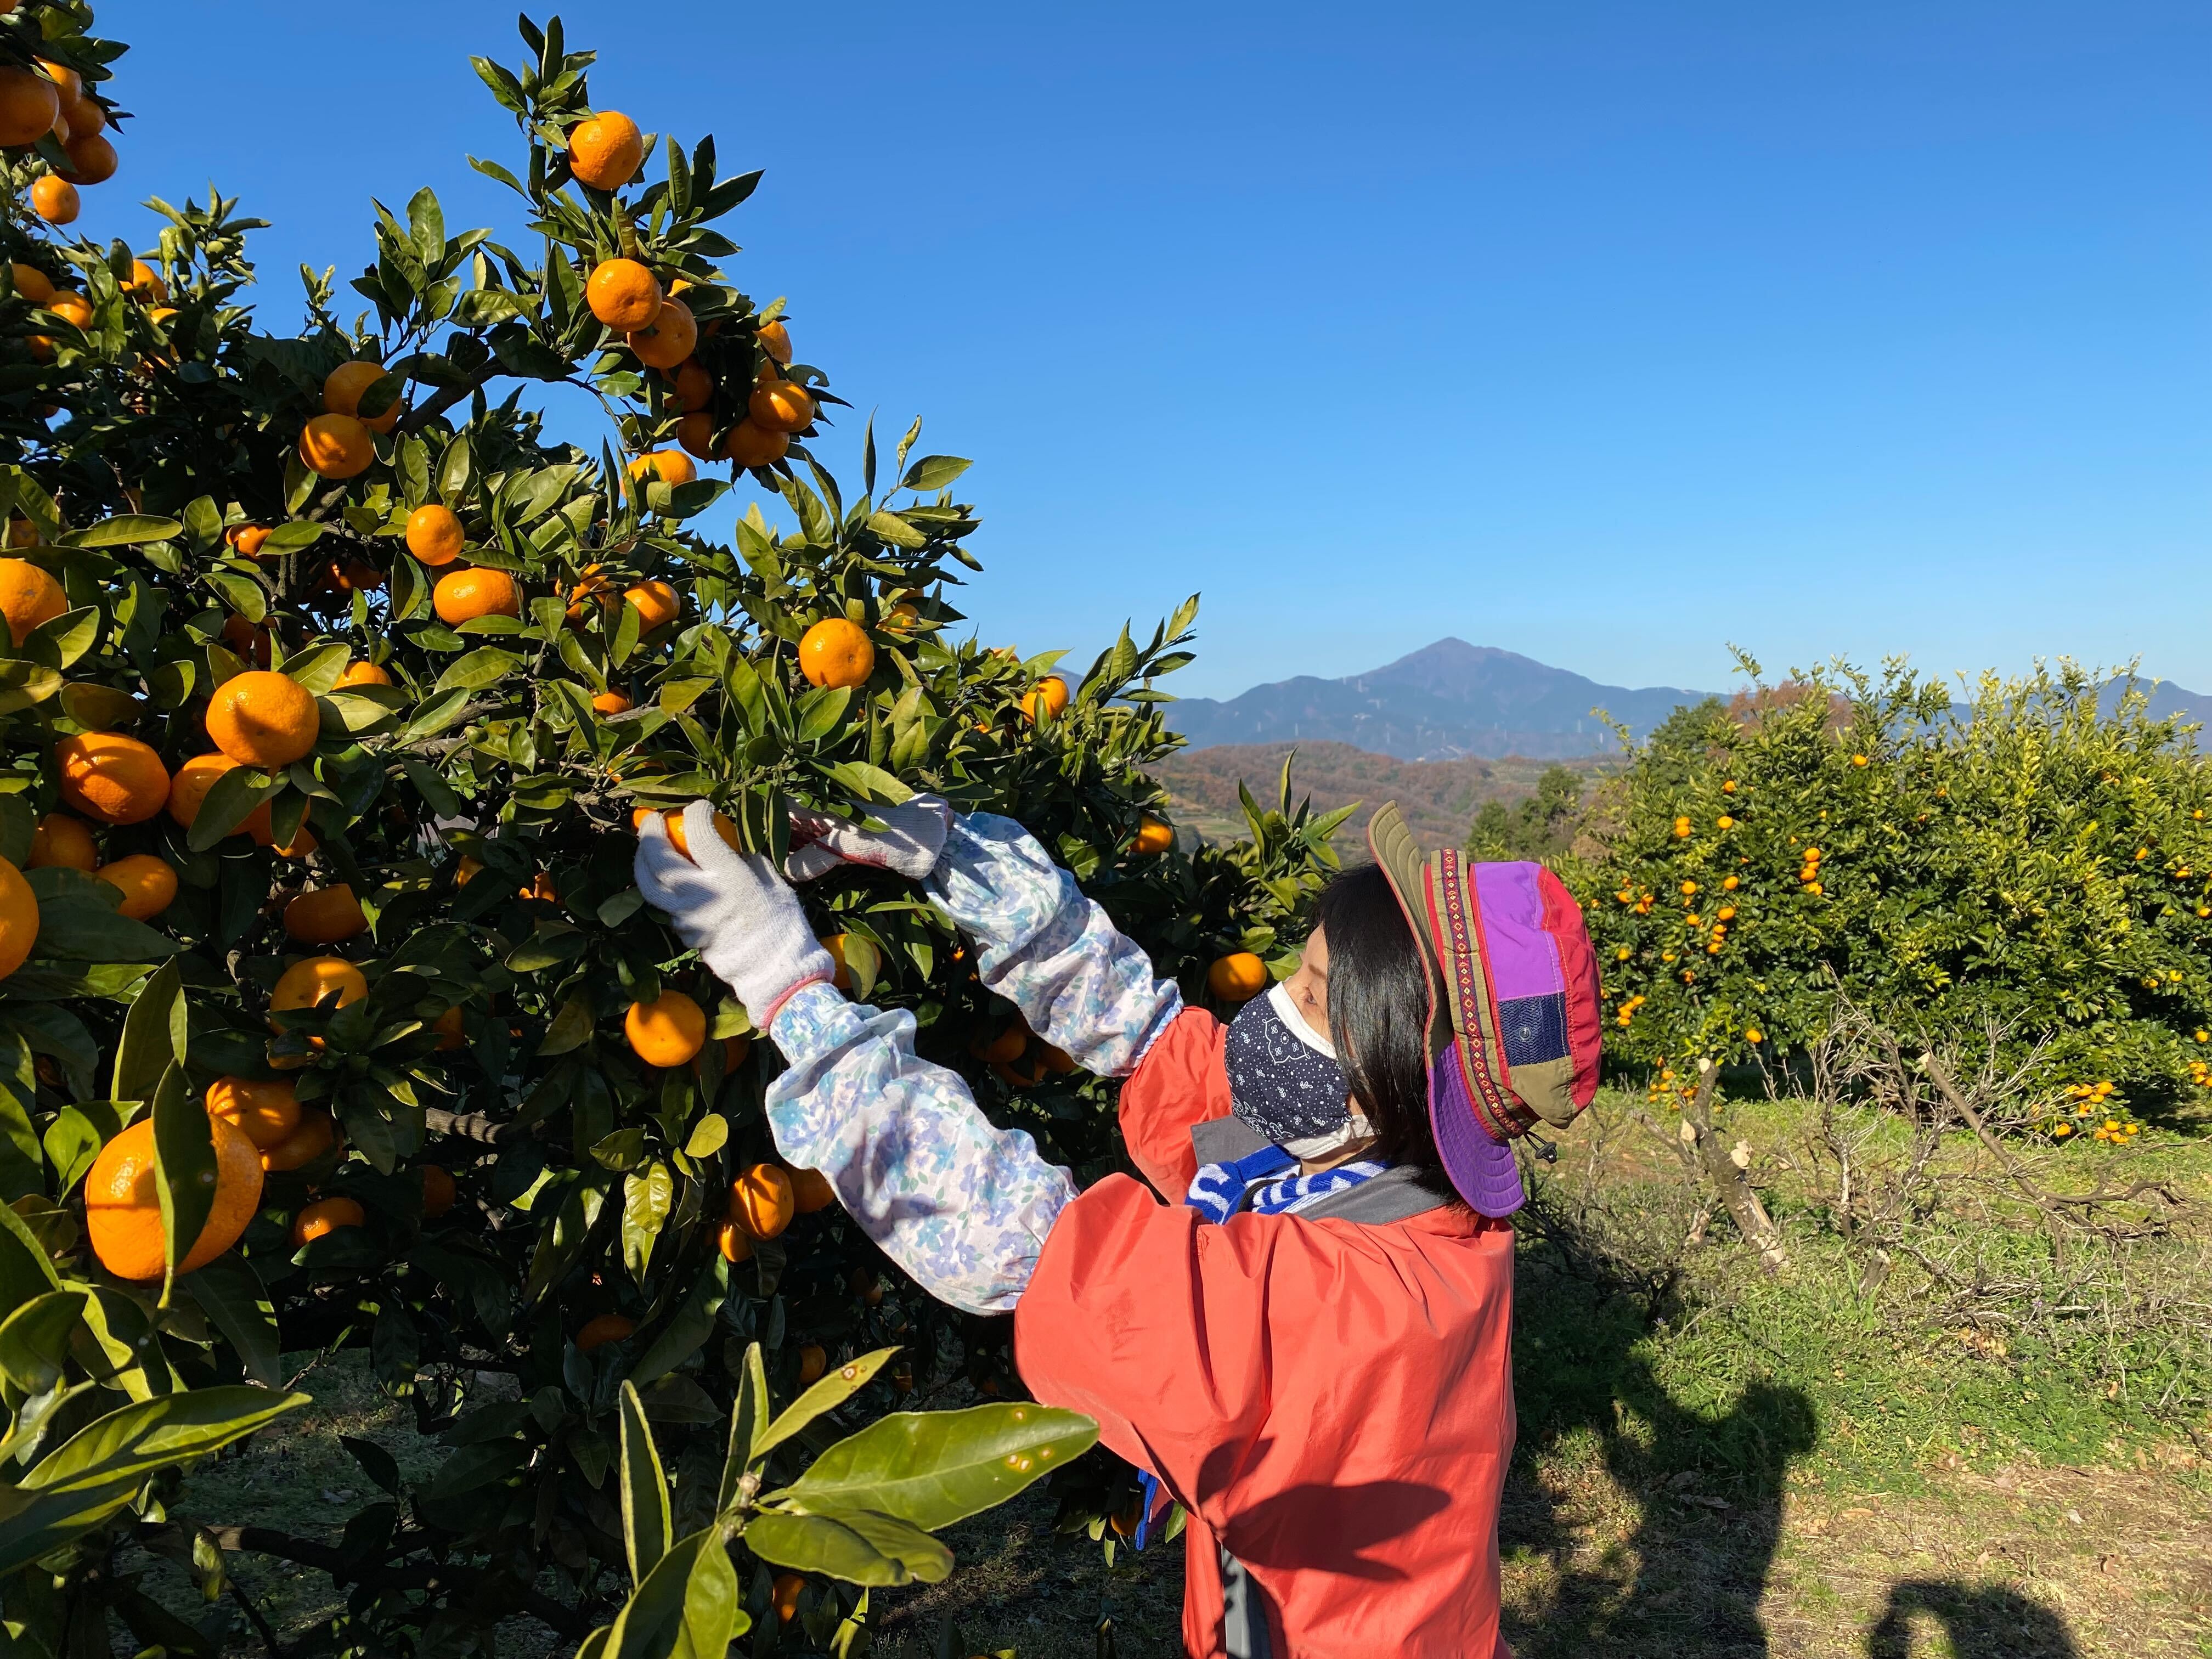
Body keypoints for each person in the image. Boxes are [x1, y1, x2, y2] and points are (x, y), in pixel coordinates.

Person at [634, 795, 1602, 1658]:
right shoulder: (1389, 1179)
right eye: (1298, 973)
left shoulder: (1354, 1304)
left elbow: (1014, 1236)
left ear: (1396, 1074)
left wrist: (781, 979)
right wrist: (946, 854)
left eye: (1314, 997)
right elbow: (1152, 1041)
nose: (1274, 1009)